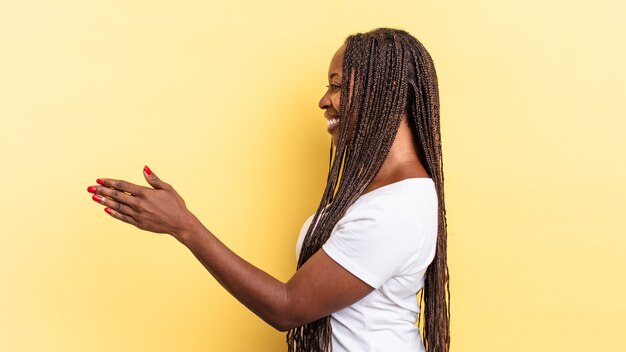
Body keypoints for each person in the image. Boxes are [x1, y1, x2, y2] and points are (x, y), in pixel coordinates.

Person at [86, 28, 450, 352]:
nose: (324, 100)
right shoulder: (380, 193)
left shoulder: (395, 208)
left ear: (386, 92)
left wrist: (185, 226)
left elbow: (288, 307)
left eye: (337, 85)